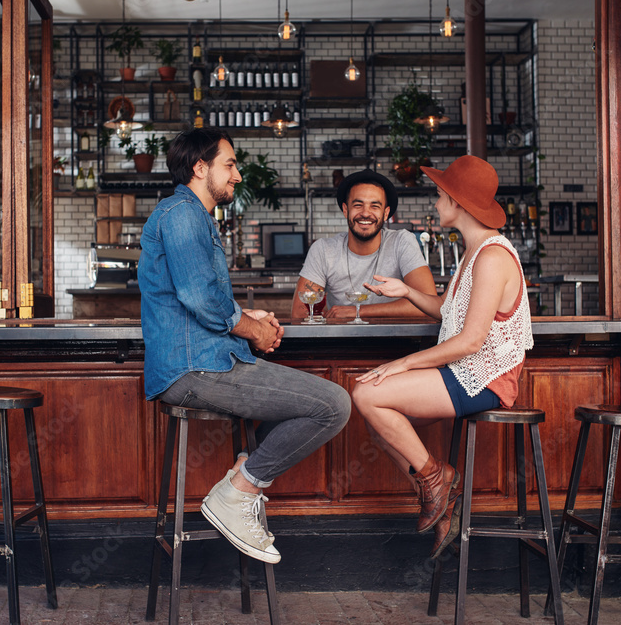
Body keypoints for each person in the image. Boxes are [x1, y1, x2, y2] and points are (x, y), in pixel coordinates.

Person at [139, 127, 351, 565]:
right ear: (201, 167)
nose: (237, 175)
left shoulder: (196, 216)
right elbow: (198, 297)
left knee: (325, 405)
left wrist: (251, 319)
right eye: (230, 164)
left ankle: (242, 479)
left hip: (209, 361)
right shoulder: (181, 213)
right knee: (333, 404)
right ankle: (236, 492)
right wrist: (253, 331)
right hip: (193, 369)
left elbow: (208, 296)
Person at [350, 156, 533, 559]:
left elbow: (470, 342)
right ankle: (441, 498)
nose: (435, 203)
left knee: (366, 395)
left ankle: (438, 478)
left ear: (457, 202)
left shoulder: (492, 257)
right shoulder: (473, 252)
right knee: (379, 421)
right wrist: (407, 292)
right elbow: (449, 312)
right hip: (462, 372)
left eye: (439, 195)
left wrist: (402, 363)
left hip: (483, 378)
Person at [291, 170, 437, 320]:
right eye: (358, 205)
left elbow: (429, 304)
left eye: (375, 206)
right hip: (340, 341)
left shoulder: (402, 241)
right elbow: (300, 313)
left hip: (397, 340)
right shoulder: (323, 249)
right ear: (346, 210)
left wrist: (357, 311)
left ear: (386, 213)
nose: (366, 213)